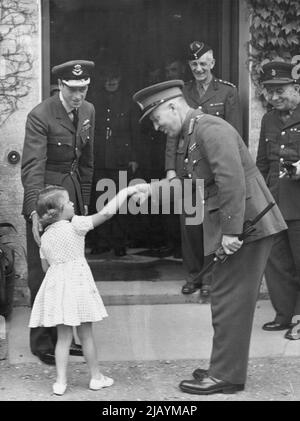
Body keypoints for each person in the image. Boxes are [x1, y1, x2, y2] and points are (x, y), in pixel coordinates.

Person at [132, 80, 286, 395]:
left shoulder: (210, 130)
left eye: (157, 118)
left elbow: (232, 181)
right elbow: (195, 185)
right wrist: (153, 189)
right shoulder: (193, 132)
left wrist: (231, 232)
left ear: (173, 106)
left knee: (230, 301)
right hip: (239, 226)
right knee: (225, 298)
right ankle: (222, 367)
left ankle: (226, 376)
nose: (157, 126)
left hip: (247, 227)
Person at [29, 183, 141, 395]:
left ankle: (60, 382)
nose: (73, 203)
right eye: (69, 201)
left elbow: (46, 268)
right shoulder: (76, 225)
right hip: (78, 287)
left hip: (59, 291)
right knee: (86, 335)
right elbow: (106, 214)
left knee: (63, 338)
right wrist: (125, 193)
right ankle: (96, 377)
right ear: (60, 211)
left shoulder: (44, 238)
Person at [21, 59, 95, 365]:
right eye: (73, 89)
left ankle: (69, 337)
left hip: (72, 196)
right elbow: (32, 166)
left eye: (83, 88)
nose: (78, 95)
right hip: (49, 201)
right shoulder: (40, 115)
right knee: (44, 272)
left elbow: (87, 161)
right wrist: (35, 213)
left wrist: (86, 201)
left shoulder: (88, 111)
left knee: (73, 268)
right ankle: (43, 343)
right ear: (60, 86)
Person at [165, 41, 242, 296]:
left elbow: (233, 134)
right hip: (185, 168)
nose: (199, 68)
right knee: (190, 226)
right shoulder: (182, 92)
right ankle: (193, 275)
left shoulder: (228, 92)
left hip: (212, 171)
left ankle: (210, 279)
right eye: (194, 64)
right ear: (189, 66)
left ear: (213, 64)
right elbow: (172, 133)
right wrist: (170, 171)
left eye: (203, 63)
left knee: (213, 226)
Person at [256, 61, 300, 340]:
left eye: (280, 90)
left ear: (296, 87)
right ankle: (284, 313)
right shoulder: (268, 119)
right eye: (270, 92)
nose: (274, 97)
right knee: (277, 261)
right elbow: (261, 163)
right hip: (275, 201)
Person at [88, 62, 139, 256]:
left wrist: (134, 157)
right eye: (107, 78)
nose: (111, 81)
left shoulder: (128, 102)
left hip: (121, 160)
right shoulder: (94, 102)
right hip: (101, 159)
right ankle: (102, 242)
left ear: (120, 79)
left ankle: (119, 243)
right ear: (102, 80)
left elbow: (135, 132)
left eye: (114, 77)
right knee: (100, 201)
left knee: (122, 202)